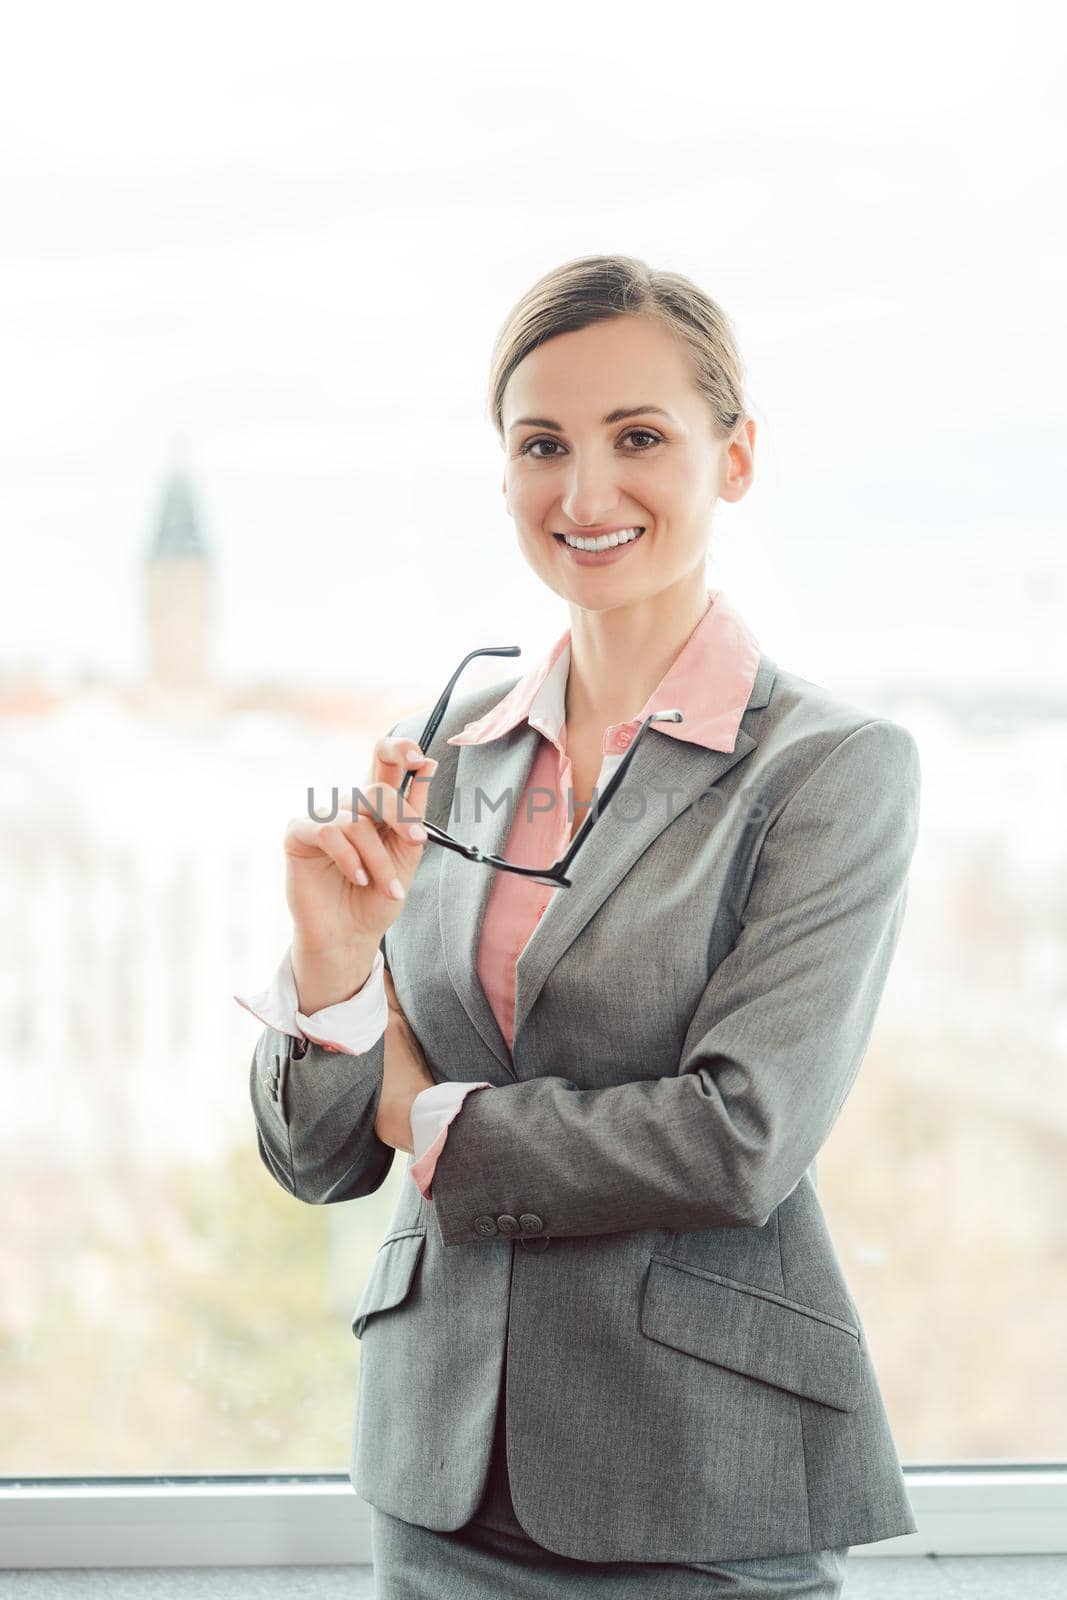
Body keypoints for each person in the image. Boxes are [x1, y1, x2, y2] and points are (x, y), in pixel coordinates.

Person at [235, 254, 921, 1597]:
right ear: (503, 473)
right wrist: (329, 968)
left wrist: (425, 1118)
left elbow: (736, 1137)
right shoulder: (451, 748)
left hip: (695, 1488)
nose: (585, 492)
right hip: (434, 1477)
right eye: (542, 444)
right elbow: (316, 1158)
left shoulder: (829, 770)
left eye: (640, 438)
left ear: (735, 460)